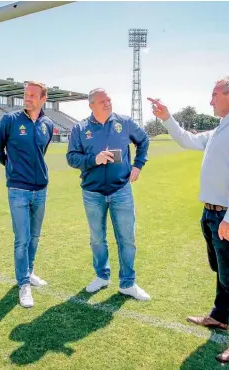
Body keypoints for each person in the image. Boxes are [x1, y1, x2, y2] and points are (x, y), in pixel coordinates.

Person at [148, 75, 229, 363]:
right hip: (212, 212)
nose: (210, 100)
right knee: (222, 270)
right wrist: (167, 118)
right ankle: (219, 316)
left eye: (215, 94)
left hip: (228, 214)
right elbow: (188, 140)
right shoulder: (223, 128)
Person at [66, 88, 151, 301]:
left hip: (121, 189)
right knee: (97, 239)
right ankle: (102, 276)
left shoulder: (125, 123)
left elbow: (144, 141)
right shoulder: (80, 128)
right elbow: (71, 158)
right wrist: (94, 159)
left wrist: (138, 165)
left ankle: (128, 283)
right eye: (102, 101)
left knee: (127, 239)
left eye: (109, 99)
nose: (107, 103)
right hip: (92, 192)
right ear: (91, 105)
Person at [0, 81, 54, 308]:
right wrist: (13, 167)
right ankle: (23, 285)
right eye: (25, 94)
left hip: (41, 189)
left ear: (43, 99)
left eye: (32, 95)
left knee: (35, 237)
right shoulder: (10, 120)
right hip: (18, 189)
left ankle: (29, 271)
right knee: (22, 239)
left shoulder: (48, 124)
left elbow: (40, 154)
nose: (27, 98)